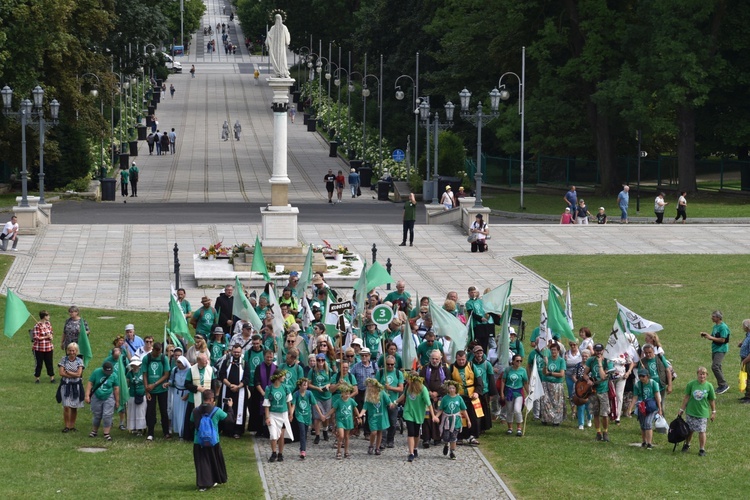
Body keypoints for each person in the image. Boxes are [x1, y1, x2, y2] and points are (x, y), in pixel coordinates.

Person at [191, 390, 234, 491]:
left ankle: (203, 484)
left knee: (202, 463)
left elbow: (192, 421)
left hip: (199, 441)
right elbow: (229, 420)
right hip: (213, 441)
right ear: (211, 399)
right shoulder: (217, 410)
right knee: (214, 460)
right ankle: (215, 479)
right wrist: (230, 407)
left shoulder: (195, 410)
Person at [398, 372, 439, 462]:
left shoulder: (423, 389)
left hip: (419, 414)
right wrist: (395, 402)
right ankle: (411, 453)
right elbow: (403, 395)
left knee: (416, 433)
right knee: (411, 432)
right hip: (408, 413)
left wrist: (433, 416)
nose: (407, 380)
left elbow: (429, 404)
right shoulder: (407, 387)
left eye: (408, 379)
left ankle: (415, 448)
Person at [678, 367, 716, 456]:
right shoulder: (691, 384)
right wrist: (681, 409)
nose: (702, 376)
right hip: (691, 411)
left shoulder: (709, 386)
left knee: (702, 431)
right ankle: (687, 444)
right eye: (700, 374)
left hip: (702, 413)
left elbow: (711, 400)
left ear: (706, 375)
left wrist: (713, 411)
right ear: (697, 374)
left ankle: (702, 449)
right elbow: (686, 397)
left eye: (704, 374)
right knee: (689, 430)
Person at [583, 343, 613, 442]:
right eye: (596, 350)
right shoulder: (591, 360)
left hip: (603, 390)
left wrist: (600, 363)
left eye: (600, 351)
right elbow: (585, 374)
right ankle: (598, 432)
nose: (598, 352)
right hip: (593, 390)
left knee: (604, 414)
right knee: (595, 413)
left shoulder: (607, 361)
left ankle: (605, 432)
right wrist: (588, 380)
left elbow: (603, 376)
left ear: (603, 351)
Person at [626, 368, 662, 449]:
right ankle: (644, 441)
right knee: (642, 425)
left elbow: (657, 396)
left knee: (648, 423)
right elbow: (635, 397)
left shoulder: (653, 383)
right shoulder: (637, 385)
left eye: (643, 376)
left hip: (651, 406)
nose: (641, 378)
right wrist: (630, 408)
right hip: (641, 406)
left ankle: (649, 443)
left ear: (647, 376)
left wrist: (660, 409)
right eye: (640, 376)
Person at [264, 370, 294, 462]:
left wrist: (290, 413)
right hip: (273, 414)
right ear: (278, 377)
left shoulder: (285, 388)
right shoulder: (269, 388)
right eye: (283, 376)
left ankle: (280, 453)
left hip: (283, 414)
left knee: (281, 435)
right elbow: (266, 404)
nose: (284, 377)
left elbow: (289, 402)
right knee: (273, 434)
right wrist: (267, 417)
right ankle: (274, 453)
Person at [85, 361, 120, 441]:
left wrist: (117, 401)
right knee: (97, 414)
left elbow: (116, 388)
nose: (108, 373)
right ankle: (94, 431)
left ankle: (106, 433)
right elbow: (90, 383)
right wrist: (87, 395)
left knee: (107, 415)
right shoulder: (96, 372)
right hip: (97, 395)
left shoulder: (114, 375)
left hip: (108, 396)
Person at [143, 342, 171, 440]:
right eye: (156, 352)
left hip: (162, 390)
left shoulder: (164, 358)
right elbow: (144, 374)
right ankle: (150, 432)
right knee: (151, 411)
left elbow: (166, 375)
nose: (158, 354)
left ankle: (166, 432)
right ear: (153, 350)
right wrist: (147, 389)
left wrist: (154, 384)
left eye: (159, 352)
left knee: (164, 411)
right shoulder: (147, 358)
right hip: (151, 391)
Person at [436, 380, 469, 460]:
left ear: (456, 389)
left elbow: (464, 410)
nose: (451, 390)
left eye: (453, 388)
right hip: (447, 420)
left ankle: (452, 452)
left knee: (453, 437)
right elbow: (441, 409)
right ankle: (446, 444)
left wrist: (468, 420)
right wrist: (436, 416)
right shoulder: (444, 398)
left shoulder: (459, 398)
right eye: (450, 388)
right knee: (446, 436)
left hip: (456, 420)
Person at [327, 383, 361, 459]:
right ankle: (339, 451)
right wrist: (326, 415)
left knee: (347, 437)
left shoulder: (351, 401)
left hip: (348, 421)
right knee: (341, 436)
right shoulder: (338, 401)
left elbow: (355, 408)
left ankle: (346, 451)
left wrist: (359, 416)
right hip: (340, 421)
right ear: (342, 393)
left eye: (348, 394)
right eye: (346, 394)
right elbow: (333, 409)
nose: (347, 395)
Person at [700, 310, 730, 394]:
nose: (711, 317)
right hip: (715, 349)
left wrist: (711, 337)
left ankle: (723, 385)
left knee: (715, 366)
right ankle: (721, 385)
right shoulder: (715, 326)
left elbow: (723, 339)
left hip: (721, 349)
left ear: (718, 318)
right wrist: (706, 335)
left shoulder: (723, 327)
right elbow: (713, 336)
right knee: (718, 367)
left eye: (713, 316)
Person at [58, 342, 85, 432]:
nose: (71, 352)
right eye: (70, 350)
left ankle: (72, 425)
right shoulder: (64, 360)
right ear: (67, 351)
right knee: (66, 406)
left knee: (74, 407)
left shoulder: (79, 361)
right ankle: (66, 426)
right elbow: (61, 373)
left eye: (73, 350)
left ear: (76, 351)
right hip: (66, 385)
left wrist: (68, 373)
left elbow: (79, 374)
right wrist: (73, 375)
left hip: (76, 386)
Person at [292, 378, 321, 459]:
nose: (306, 386)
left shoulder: (309, 393)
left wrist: (320, 414)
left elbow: (315, 404)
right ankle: (303, 451)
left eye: (307, 385)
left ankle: (302, 447)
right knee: (302, 432)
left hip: (307, 416)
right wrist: (290, 414)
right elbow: (293, 405)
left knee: (305, 433)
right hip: (299, 416)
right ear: (299, 386)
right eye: (304, 385)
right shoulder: (296, 394)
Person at [362, 378, 393, 455]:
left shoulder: (382, 393)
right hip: (373, 417)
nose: (369, 388)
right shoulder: (368, 396)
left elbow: (389, 402)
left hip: (381, 417)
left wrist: (392, 404)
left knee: (380, 432)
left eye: (371, 386)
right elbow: (364, 407)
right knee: (373, 432)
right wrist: (360, 414)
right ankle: (371, 445)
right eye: (368, 387)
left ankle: (377, 448)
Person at [501, 354, 529, 436]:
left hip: (518, 392)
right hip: (509, 392)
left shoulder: (523, 371)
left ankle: (519, 428)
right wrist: (502, 393)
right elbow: (503, 381)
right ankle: (510, 428)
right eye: (517, 361)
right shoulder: (508, 370)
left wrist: (529, 392)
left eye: (520, 361)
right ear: (513, 361)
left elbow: (525, 383)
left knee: (517, 410)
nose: (519, 362)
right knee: (509, 410)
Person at [540, 342, 566, 425]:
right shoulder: (548, 358)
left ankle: (556, 420)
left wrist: (550, 373)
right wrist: (545, 364)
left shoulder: (561, 360)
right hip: (546, 383)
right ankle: (545, 419)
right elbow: (544, 372)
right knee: (545, 401)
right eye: (551, 350)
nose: (553, 351)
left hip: (557, 384)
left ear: (558, 351)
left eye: (555, 350)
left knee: (556, 403)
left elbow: (561, 374)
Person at [169, 355, 191, 439]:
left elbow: (191, 383)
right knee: (177, 412)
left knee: (184, 413)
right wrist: (168, 383)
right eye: (177, 363)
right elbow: (172, 380)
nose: (178, 365)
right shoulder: (175, 370)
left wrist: (188, 394)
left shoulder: (189, 371)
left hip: (185, 392)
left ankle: (183, 431)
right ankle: (178, 430)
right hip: (177, 393)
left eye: (180, 363)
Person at [32, 310, 55, 384]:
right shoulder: (37, 326)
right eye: (48, 315)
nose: (49, 317)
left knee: (49, 363)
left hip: (48, 347)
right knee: (39, 363)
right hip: (39, 348)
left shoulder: (48, 324)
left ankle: (52, 377)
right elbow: (36, 337)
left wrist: (51, 337)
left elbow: (51, 333)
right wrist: (45, 337)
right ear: (44, 316)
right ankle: (37, 378)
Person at [126, 357, 147, 435]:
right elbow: (127, 383)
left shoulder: (143, 372)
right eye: (133, 365)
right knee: (132, 411)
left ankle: (141, 428)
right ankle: (133, 428)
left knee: (140, 412)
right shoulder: (129, 373)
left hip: (142, 394)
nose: (135, 366)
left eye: (136, 365)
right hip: (132, 394)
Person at [265, 13, 290, 78]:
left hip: (276, 48)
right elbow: (287, 39)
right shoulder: (283, 27)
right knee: (282, 59)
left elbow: (269, 36)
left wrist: (267, 41)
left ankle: (281, 72)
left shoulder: (274, 28)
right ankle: (282, 72)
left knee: (280, 59)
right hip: (279, 48)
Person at [573, 349, 592, 430]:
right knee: (580, 404)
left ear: (589, 357)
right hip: (579, 388)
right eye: (583, 356)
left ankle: (589, 418)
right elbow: (574, 375)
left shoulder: (591, 366)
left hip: (589, 388)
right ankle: (581, 423)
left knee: (589, 405)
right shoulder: (577, 365)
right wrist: (578, 383)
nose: (584, 358)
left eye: (586, 356)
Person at [739, 319, 750, 403]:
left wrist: (744, 361)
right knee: (745, 377)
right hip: (745, 359)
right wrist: (742, 344)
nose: (742, 327)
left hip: (747, 360)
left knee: (749, 378)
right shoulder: (747, 335)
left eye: (743, 326)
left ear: (747, 327)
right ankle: (747, 395)